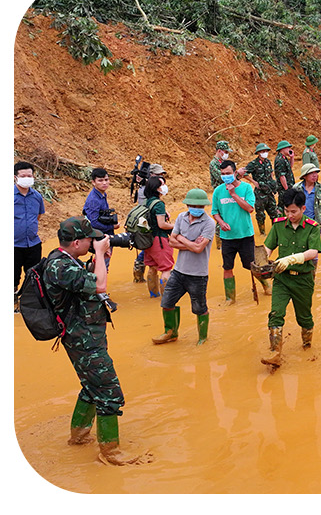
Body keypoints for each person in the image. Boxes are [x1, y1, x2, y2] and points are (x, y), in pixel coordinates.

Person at [40, 217, 144, 465]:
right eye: (89, 239)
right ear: (76, 242)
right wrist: (99, 251)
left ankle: (78, 436)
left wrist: (98, 255)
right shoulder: (59, 267)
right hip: (83, 339)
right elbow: (100, 285)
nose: (93, 242)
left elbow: (86, 281)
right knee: (109, 392)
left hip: (87, 335)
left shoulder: (66, 259)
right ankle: (111, 453)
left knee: (91, 385)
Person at [258, 187, 321, 368]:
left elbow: (313, 252)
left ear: (303, 209)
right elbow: (268, 247)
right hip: (282, 278)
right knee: (275, 314)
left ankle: (307, 345)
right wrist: (260, 260)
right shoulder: (279, 225)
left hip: (303, 279)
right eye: (286, 211)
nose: (289, 215)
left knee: (304, 317)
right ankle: (275, 353)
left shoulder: (312, 227)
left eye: (293, 211)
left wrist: (292, 259)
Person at [153, 188, 217, 345]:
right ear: (188, 205)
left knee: (200, 308)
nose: (197, 209)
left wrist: (182, 238)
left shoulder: (209, 223)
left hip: (198, 275)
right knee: (167, 303)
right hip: (179, 272)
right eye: (194, 205)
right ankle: (171, 332)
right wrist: (191, 242)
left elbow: (198, 249)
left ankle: (203, 338)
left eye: (200, 206)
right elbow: (171, 242)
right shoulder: (181, 217)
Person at [211, 161, 259, 305]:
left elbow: (250, 208)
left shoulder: (246, 188)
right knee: (227, 267)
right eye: (223, 174)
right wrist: (221, 222)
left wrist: (233, 194)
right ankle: (230, 298)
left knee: (252, 266)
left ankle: (265, 285)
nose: (225, 176)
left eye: (228, 173)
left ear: (235, 173)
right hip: (227, 238)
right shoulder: (218, 191)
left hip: (245, 235)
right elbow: (215, 212)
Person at [130, 171, 170, 296]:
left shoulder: (147, 201)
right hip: (160, 240)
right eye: (162, 184)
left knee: (152, 268)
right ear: (156, 188)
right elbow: (162, 224)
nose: (164, 186)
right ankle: (166, 299)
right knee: (166, 269)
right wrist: (178, 226)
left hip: (148, 241)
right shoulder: (159, 204)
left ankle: (154, 295)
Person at [14, 161, 47, 301]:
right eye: (23, 175)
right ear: (15, 177)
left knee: (34, 276)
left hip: (33, 244)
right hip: (13, 245)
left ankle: (29, 303)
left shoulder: (37, 196)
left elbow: (38, 216)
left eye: (29, 175)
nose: (27, 178)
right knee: (11, 276)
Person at [82, 166, 119, 277]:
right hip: (100, 237)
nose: (104, 183)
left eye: (106, 180)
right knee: (102, 266)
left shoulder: (102, 194)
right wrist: (112, 227)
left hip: (104, 235)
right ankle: (98, 291)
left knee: (101, 264)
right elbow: (93, 223)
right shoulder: (94, 199)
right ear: (93, 182)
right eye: (100, 180)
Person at [244, 143, 278, 236]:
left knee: (274, 212)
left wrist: (272, 181)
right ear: (258, 153)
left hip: (269, 191)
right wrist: (253, 182)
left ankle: (275, 232)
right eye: (263, 151)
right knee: (260, 214)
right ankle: (262, 233)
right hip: (260, 192)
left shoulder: (268, 162)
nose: (265, 153)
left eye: (266, 151)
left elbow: (271, 172)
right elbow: (244, 173)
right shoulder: (253, 164)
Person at [299, 164, 321, 231]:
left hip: (316, 225)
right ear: (304, 176)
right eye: (311, 173)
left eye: (315, 172)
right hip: (299, 224)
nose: (314, 175)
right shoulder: (297, 189)